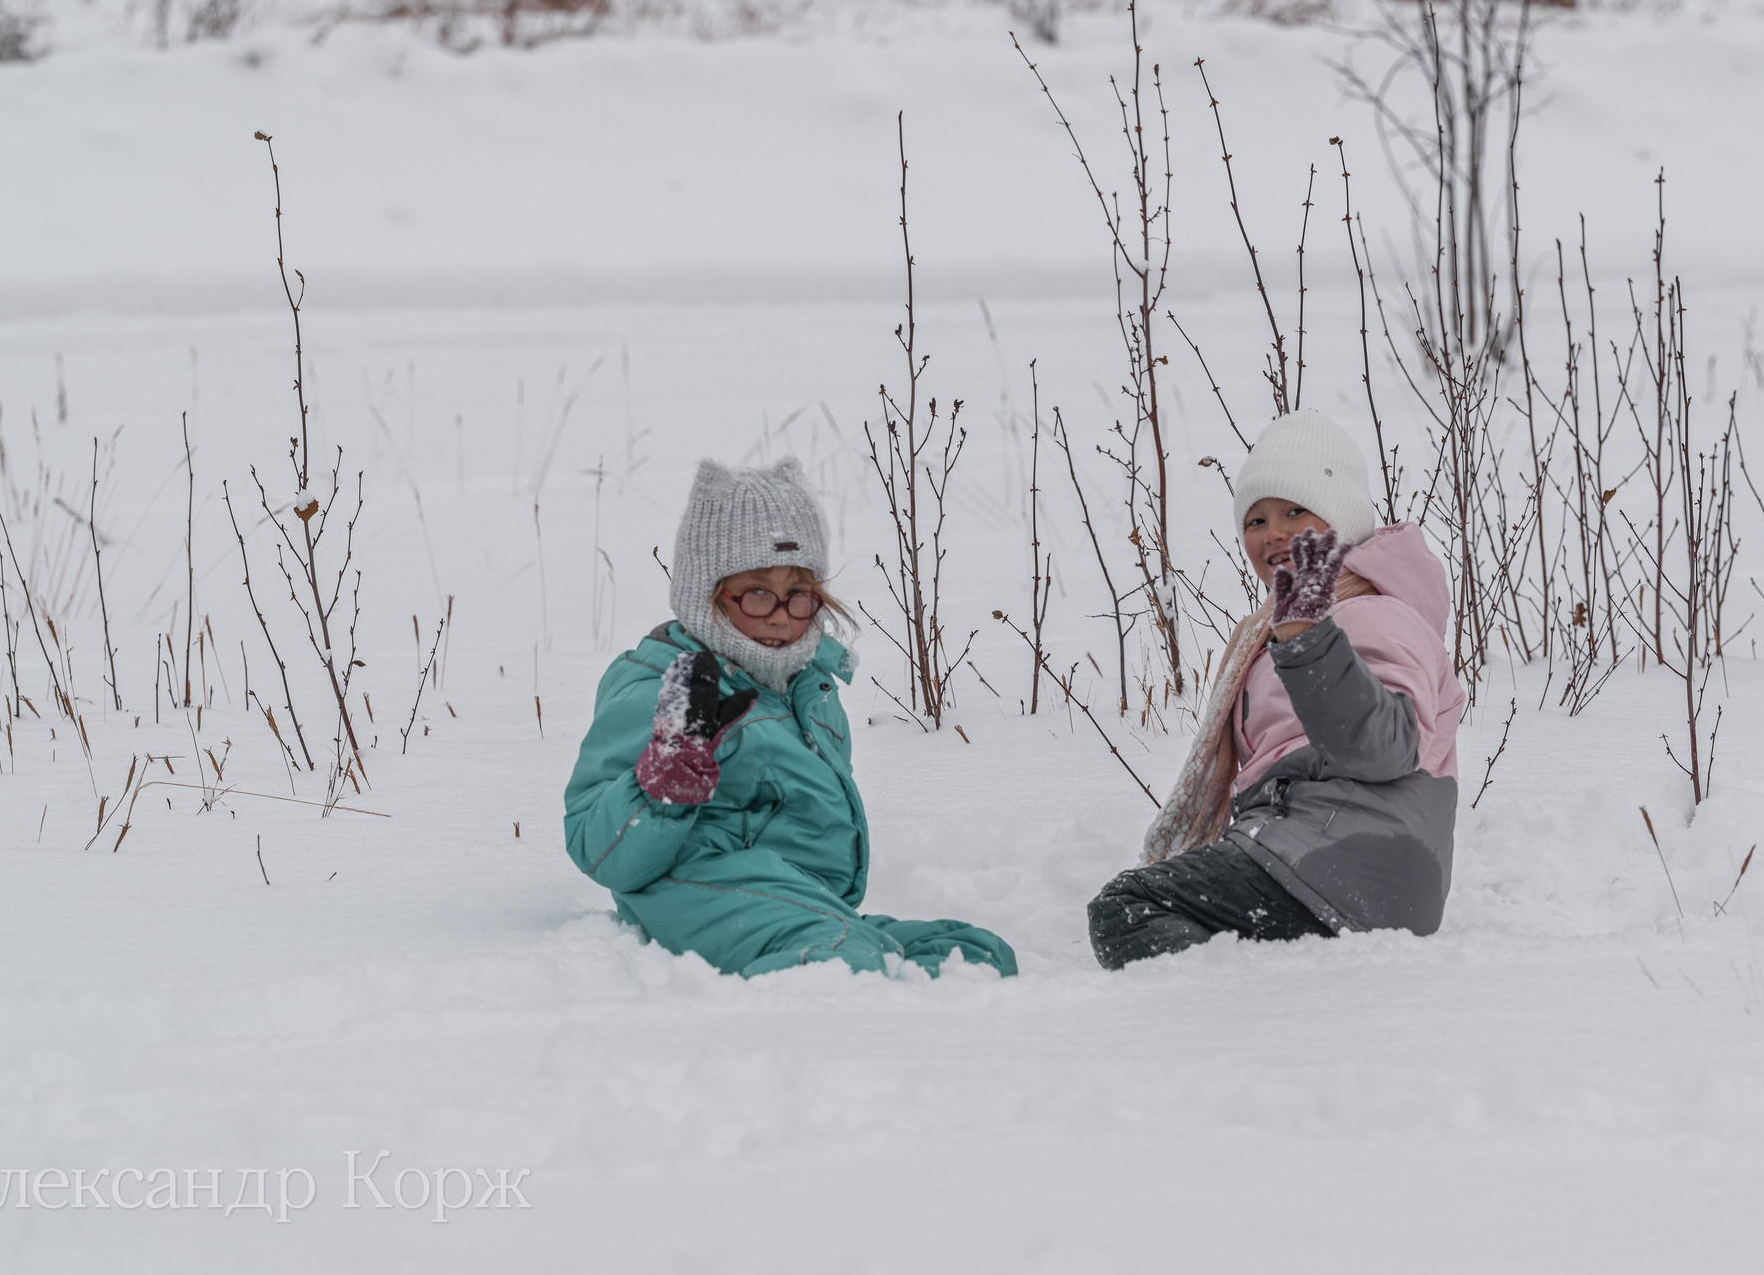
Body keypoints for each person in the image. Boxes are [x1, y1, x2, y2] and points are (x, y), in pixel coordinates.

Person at [564, 457, 1019, 979]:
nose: (781, 613)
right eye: (757, 593)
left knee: (974, 954)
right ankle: (768, 1044)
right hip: (692, 891)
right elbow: (598, 849)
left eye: (798, 594)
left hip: (800, 900)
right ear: (707, 595)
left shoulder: (808, 688)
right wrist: (662, 785)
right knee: (843, 962)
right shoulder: (671, 687)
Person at [1088, 410, 1466, 968]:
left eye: (1295, 510)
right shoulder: (1290, 625)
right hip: (1332, 861)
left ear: (1340, 520)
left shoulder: (1378, 614)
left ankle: (1238, 1015)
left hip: (1343, 862)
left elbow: (1386, 750)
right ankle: (1265, 994)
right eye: (1256, 520)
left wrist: (1307, 639)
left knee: (1131, 906)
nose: (1274, 533)